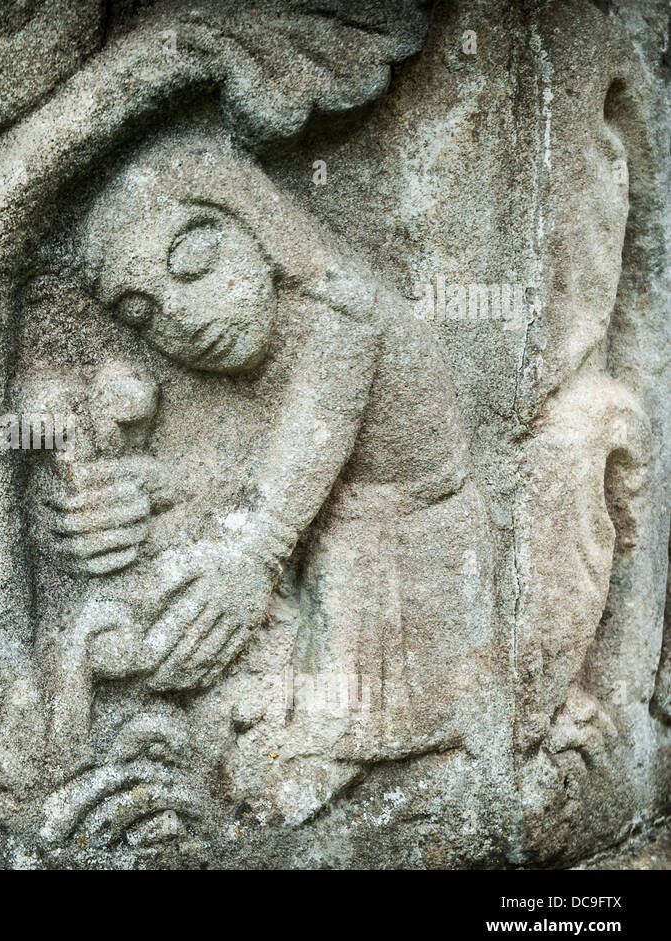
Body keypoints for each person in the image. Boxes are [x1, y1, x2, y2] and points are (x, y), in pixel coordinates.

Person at [51, 130, 495, 764]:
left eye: (195, 260)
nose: (181, 317)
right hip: (338, 545)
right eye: (142, 312)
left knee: (290, 762)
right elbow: (264, 459)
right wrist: (151, 492)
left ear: (257, 225)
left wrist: (249, 562)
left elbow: (291, 481)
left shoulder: (342, 316)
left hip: (409, 566)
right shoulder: (256, 341)